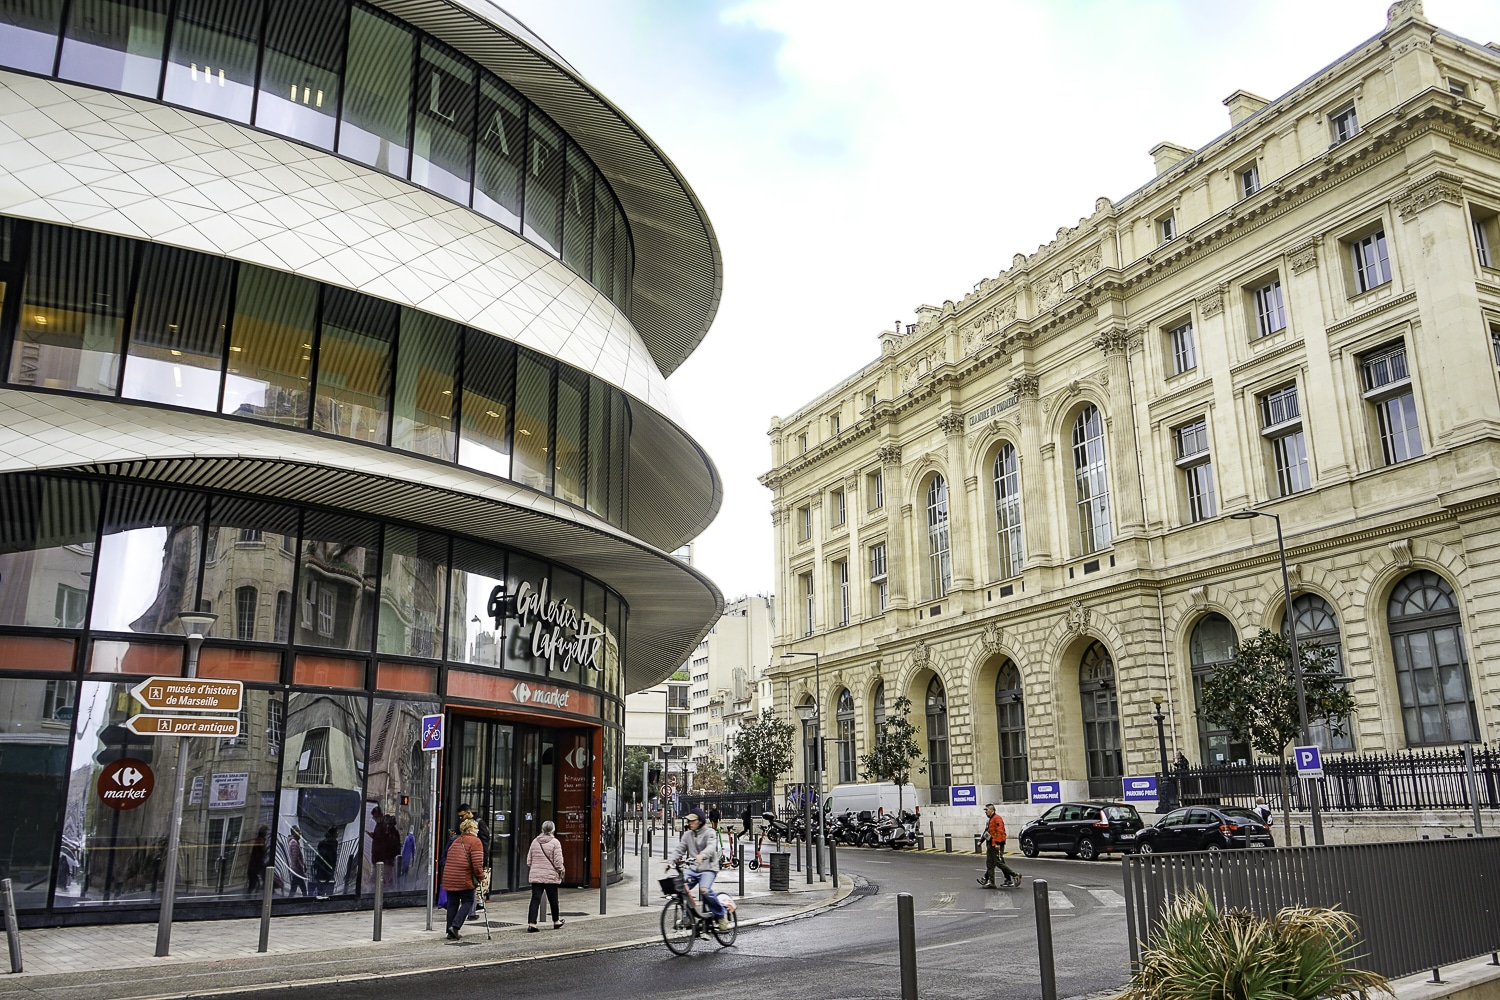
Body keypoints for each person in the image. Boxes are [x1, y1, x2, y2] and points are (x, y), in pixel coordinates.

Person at [668, 808, 728, 931]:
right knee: (680, 887)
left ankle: (721, 915)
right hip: (694, 868)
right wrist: (670, 861)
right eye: (688, 821)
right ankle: (688, 917)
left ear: (700, 821)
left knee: (704, 890)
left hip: (709, 868)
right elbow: (679, 849)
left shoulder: (710, 832)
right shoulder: (687, 835)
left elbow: (711, 847)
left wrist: (703, 855)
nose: (689, 823)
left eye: (692, 821)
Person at [442, 818, 485, 939]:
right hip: (463, 877)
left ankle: (449, 930)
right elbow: (477, 863)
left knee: (453, 904)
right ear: (470, 829)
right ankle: (455, 927)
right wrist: (481, 876)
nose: (478, 830)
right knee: (468, 901)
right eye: (476, 828)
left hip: (450, 877)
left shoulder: (456, 841)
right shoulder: (476, 842)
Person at [525, 820, 566, 932]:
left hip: (536, 875)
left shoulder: (535, 842)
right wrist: (561, 869)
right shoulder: (555, 842)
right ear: (553, 829)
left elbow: (529, 861)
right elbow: (558, 862)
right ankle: (556, 921)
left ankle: (532, 924)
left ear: (542, 829)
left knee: (535, 899)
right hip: (551, 876)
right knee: (553, 899)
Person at [977, 804, 1020, 889]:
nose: (986, 812)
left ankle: (1015, 875)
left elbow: (1001, 832)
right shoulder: (990, 820)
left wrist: (998, 843)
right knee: (989, 863)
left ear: (992, 810)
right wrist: (981, 841)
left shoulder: (997, 818)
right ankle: (991, 882)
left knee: (999, 863)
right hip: (990, 844)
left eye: (987, 810)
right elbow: (987, 832)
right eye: (985, 810)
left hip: (996, 845)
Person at [314, 827, 339, 898]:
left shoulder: (321, 843)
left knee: (321, 890)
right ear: (333, 834)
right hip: (329, 869)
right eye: (336, 832)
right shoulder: (334, 843)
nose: (338, 833)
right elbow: (333, 857)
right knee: (329, 890)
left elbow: (319, 855)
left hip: (321, 869)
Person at [286, 827, 308, 897]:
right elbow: (296, 858)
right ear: (293, 833)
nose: (300, 834)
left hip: (296, 870)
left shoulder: (294, 842)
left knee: (295, 889)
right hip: (297, 871)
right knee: (302, 889)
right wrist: (302, 867)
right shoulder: (294, 843)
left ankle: (290, 901)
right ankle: (306, 902)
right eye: (298, 832)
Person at [246, 825, 268, 894]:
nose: (267, 832)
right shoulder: (259, 841)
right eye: (266, 831)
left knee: (253, 884)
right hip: (255, 866)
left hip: (255, 865)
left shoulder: (260, 840)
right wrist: (261, 863)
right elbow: (259, 854)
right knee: (252, 884)